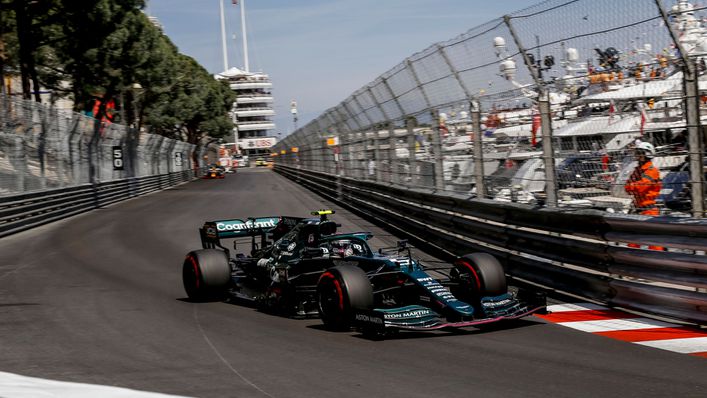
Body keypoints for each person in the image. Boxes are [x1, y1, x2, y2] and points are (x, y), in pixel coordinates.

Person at [625, 141, 661, 216]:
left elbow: (641, 187)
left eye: (639, 153)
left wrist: (632, 186)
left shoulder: (652, 171)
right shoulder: (637, 170)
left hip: (649, 210)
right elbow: (626, 187)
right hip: (637, 207)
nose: (637, 155)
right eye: (636, 153)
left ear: (647, 154)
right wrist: (633, 186)